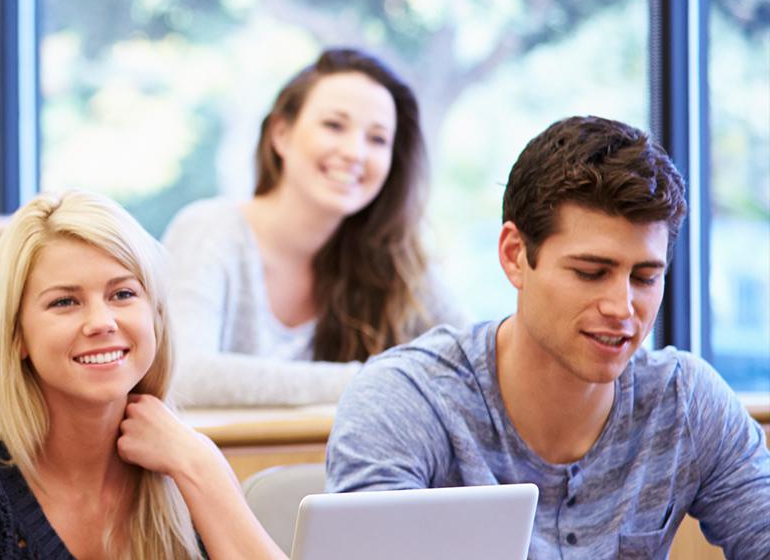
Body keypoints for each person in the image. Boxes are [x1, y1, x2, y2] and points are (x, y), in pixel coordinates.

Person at [326, 116, 770, 558]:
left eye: (645, 277)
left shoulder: (684, 401)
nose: (621, 307)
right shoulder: (407, 400)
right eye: (590, 273)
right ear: (515, 256)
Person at [0, 190, 284, 560]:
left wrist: (201, 466)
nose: (101, 322)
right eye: (65, 302)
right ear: (16, 335)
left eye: (123, 294)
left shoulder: (183, 467)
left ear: (156, 317)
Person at [161, 48, 461, 406]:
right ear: (281, 134)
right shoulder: (209, 231)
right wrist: (385, 378)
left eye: (377, 139)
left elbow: (468, 364)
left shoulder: (395, 259)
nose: (354, 152)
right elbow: (184, 376)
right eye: (334, 126)